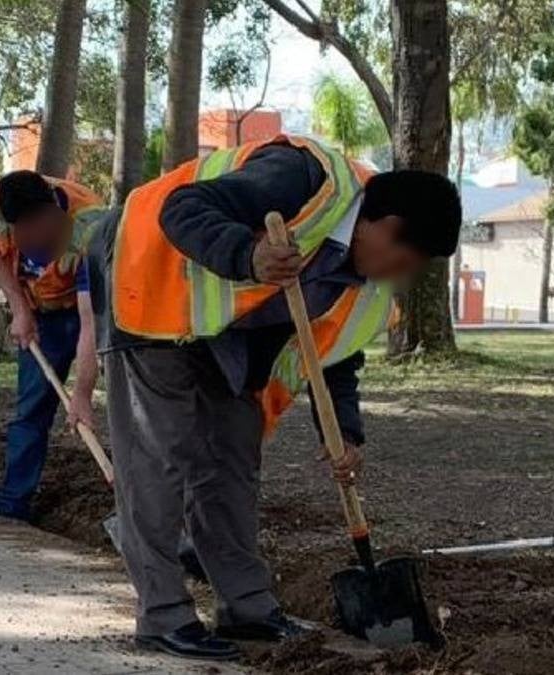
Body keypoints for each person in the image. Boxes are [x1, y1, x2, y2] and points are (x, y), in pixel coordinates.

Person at [81, 136, 461, 661]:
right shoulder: (302, 178)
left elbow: (337, 351)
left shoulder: (365, 282)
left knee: (234, 456)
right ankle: (162, 615)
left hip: (227, 332)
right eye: (407, 261)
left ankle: (247, 608)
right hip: (146, 281)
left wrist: (345, 433)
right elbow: (181, 208)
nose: (403, 277)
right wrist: (249, 255)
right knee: (159, 458)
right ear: (386, 227)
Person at [0, 170, 105, 521]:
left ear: (52, 215)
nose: (27, 245)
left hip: (87, 309)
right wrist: (19, 309)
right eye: (20, 237)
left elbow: (91, 322)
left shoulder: (92, 228)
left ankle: (140, 504)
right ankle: (12, 507)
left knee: (130, 410)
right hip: (40, 315)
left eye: (38, 237)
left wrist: (83, 394)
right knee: (31, 411)